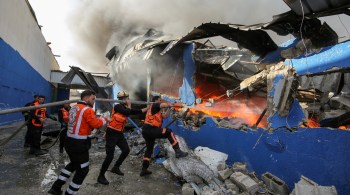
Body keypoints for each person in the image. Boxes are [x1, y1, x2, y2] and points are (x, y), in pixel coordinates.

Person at [48, 90, 108, 195]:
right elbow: (95, 124)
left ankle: (55, 187)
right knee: (83, 170)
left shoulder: (74, 108)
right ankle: (70, 193)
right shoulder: (88, 110)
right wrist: (104, 119)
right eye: (93, 99)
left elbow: (70, 119)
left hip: (69, 141)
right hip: (79, 144)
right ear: (86, 98)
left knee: (73, 164)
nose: (94, 101)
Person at [97, 91, 149, 185]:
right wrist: (129, 105)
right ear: (123, 99)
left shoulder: (125, 107)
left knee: (126, 150)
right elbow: (127, 112)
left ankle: (116, 167)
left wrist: (149, 108)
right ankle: (101, 176)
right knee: (110, 156)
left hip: (119, 133)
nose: (128, 100)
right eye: (127, 98)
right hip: (111, 133)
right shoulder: (117, 106)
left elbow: (138, 111)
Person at [140, 95, 188, 177]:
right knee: (169, 132)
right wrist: (173, 104)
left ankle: (144, 170)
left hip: (147, 131)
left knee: (149, 150)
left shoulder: (157, 111)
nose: (161, 101)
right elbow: (163, 105)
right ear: (156, 101)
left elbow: (165, 116)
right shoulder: (154, 105)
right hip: (150, 129)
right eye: (160, 100)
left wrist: (170, 108)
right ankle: (178, 152)